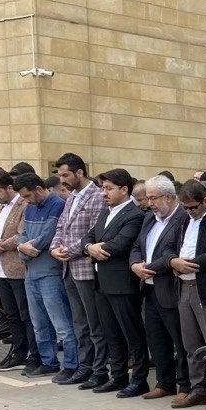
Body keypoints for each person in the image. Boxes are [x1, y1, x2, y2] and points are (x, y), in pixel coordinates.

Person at [161, 180, 206, 410]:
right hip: (184, 286)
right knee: (191, 344)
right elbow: (168, 245)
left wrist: (186, 264)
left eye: (193, 207)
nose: (189, 212)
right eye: (185, 207)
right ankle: (198, 389)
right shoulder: (184, 218)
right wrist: (173, 261)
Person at [82, 168, 149, 397]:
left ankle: (139, 380)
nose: (104, 193)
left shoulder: (134, 214)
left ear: (124, 189)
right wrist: (89, 248)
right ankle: (118, 376)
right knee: (111, 334)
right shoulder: (105, 212)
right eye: (103, 188)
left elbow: (121, 244)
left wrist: (96, 248)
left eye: (109, 188)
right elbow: (88, 237)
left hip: (122, 283)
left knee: (132, 334)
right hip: (102, 282)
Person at [50, 153, 108, 389]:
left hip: (86, 267)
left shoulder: (97, 196)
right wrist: (54, 248)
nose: (62, 180)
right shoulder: (71, 198)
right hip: (68, 267)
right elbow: (61, 225)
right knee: (79, 323)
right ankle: (85, 367)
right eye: (60, 175)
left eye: (65, 175)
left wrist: (70, 250)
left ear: (79, 172)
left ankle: (99, 370)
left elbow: (95, 231)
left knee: (94, 324)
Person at [130, 175, 189, 402]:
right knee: (156, 338)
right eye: (148, 198)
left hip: (170, 288)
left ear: (169, 197)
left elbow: (172, 254)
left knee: (180, 341)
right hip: (149, 288)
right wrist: (135, 265)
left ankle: (185, 384)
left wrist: (149, 268)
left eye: (153, 198)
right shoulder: (149, 218)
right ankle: (165, 383)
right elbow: (136, 246)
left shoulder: (182, 219)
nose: (149, 202)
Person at [14, 174, 77, 380]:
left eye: (27, 195)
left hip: (50, 272)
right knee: (39, 322)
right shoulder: (30, 207)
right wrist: (23, 247)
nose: (26, 200)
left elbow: (50, 235)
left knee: (61, 323)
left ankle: (71, 364)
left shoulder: (58, 205)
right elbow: (22, 235)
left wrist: (30, 246)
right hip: (31, 271)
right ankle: (48, 362)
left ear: (40, 189)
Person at [0, 170, 36, 373]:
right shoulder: (0, 207)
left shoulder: (24, 204)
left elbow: (22, 235)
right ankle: (18, 352)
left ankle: (33, 353)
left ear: (9, 187)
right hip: (0, 268)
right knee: (11, 314)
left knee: (25, 314)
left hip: (18, 267)